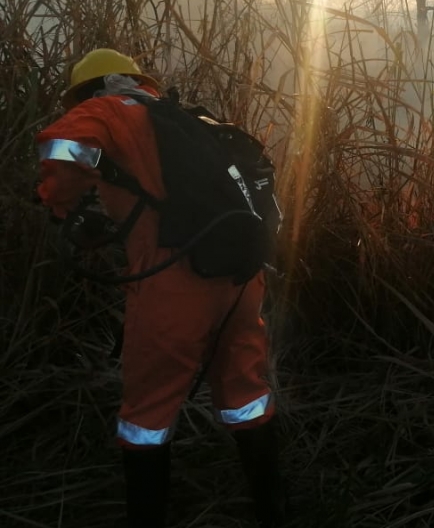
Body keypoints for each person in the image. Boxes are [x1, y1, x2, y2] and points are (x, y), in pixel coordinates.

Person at [35, 48, 284, 528]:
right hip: (239, 276)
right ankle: (272, 508)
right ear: (140, 80)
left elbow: (61, 148)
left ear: (92, 88)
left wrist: (60, 204)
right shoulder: (187, 116)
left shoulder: (107, 106)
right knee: (245, 391)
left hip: (174, 286)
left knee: (146, 417)